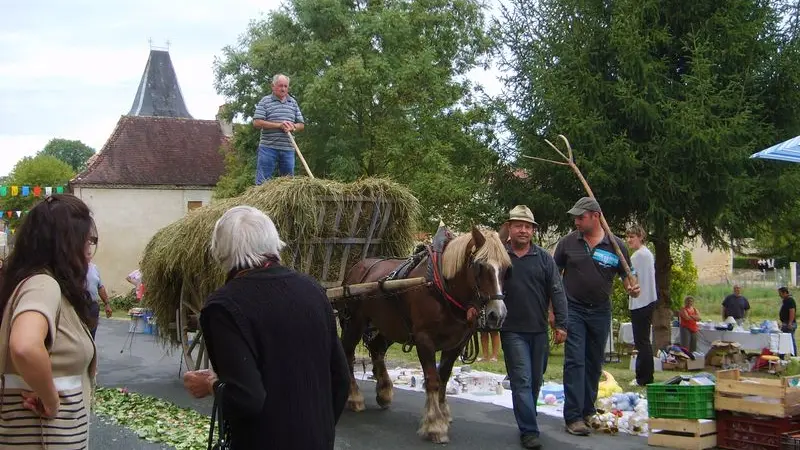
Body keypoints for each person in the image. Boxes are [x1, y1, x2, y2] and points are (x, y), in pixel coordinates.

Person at [182, 205, 349, 449]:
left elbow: (246, 398)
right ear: (273, 242)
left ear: (221, 251)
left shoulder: (223, 308)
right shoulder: (313, 290)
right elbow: (341, 380)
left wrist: (211, 384)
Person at [0, 194, 97, 448]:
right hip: (44, 438)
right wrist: (52, 401)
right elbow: (25, 346)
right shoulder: (43, 284)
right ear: (67, 244)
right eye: (87, 241)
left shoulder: (22, 282)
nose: (89, 252)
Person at [553, 197, 639, 437]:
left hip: (601, 311)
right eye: (575, 217)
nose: (576, 221)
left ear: (595, 216)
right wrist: (553, 310)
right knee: (575, 361)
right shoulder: (568, 243)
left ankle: (588, 410)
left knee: (593, 362)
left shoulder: (616, 245)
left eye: (581, 217)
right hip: (574, 309)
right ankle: (573, 417)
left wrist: (632, 286)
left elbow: (627, 275)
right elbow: (553, 277)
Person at [500, 205, 568, 450]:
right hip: (511, 330)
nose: (523, 230)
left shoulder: (544, 259)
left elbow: (557, 291)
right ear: (509, 228)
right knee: (522, 380)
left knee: (536, 381)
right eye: (518, 225)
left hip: (538, 330)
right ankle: (529, 431)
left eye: (528, 226)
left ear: (533, 231)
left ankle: (528, 418)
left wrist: (561, 323)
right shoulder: (500, 257)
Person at [253, 74, 306, 184]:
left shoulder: (293, 103)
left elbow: (301, 124)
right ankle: (261, 201)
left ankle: (286, 202)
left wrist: (293, 127)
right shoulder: (265, 101)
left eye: (285, 86)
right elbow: (257, 122)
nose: (283, 89)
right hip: (268, 147)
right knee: (262, 182)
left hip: (288, 148)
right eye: (280, 86)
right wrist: (279, 125)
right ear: (273, 86)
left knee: (288, 184)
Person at [625, 224, 657, 386]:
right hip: (648, 300)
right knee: (644, 341)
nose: (629, 240)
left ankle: (643, 378)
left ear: (640, 237)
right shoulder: (647, 254)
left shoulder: (639, 256)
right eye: (628, 236)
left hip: (641, 302)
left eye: (632, 237)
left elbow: (631, 277)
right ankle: (644, 376)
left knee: (642, 341)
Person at [85, 257, 112, 339]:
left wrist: (107, 304)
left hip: (93, 307)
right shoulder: (71, 267)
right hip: (78, 306)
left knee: (91, 334)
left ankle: (91, 350)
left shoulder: (94, 268)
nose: (89, 251)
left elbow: (100, 287)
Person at [779, 287, 797, 355]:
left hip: (789, 323)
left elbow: (792, 311)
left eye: (780, 293)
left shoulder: (790, 300)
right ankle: (781, 355)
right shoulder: (785, 300)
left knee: (790, 340)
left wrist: (790, 323)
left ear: (785, 293)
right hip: (785, 323)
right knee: (783, 340)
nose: (779, 295)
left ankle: (794, 356)